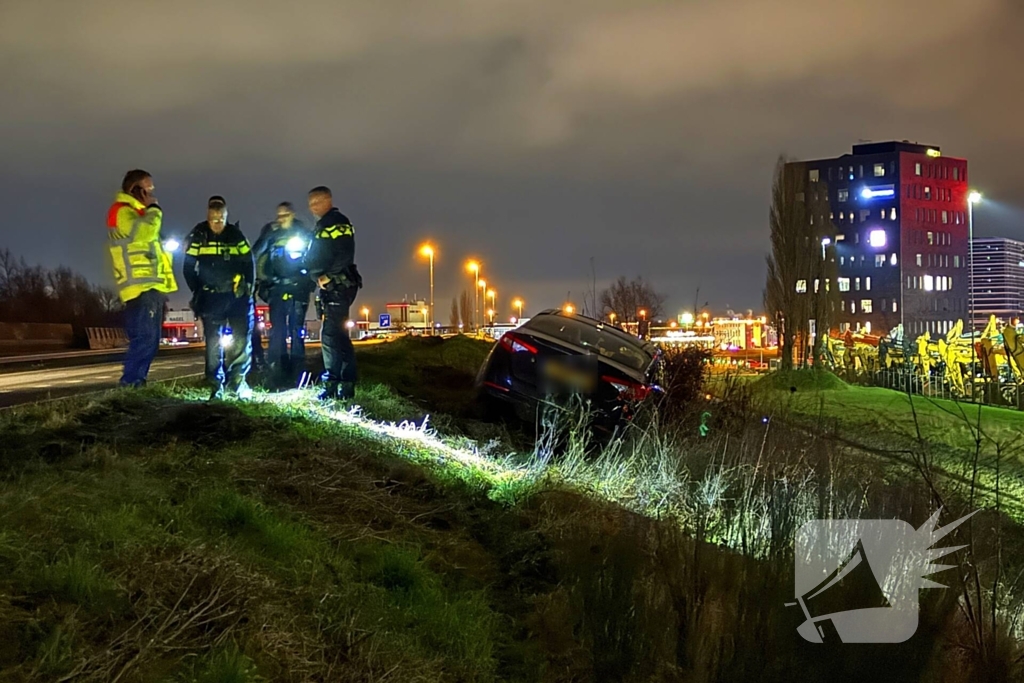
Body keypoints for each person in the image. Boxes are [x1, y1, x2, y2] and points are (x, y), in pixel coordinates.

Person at [106, 169, 178, 388]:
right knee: (145, 338)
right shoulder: (122, 212)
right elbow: (144, 234)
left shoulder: (138, 214)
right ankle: (130, 383)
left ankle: (138, 382)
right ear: (136, 189)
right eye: (148, 189)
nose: (152, 194)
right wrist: (155, 210)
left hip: (151, 286)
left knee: (151, 340)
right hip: (139, 286)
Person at [183, 196, 255, 400]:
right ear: (207, 217)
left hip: (236, 296)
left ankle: (237, 382)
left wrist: (248, 288)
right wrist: (197, 290)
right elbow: (188, 267)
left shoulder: (235, 235)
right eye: (214, 219)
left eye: (221, 219)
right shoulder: (198, 235)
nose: (217, 223)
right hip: (211, 297)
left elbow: (249, 262)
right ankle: (215, 383)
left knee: (241, 339)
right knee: (213, 342)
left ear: (226, 216)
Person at [304, 186, 362, 400]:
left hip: (338, 286)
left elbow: (343, 254)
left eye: (316, 202)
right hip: (333, 286)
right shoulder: (324, 225)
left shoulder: (337, 223)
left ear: (327, 200)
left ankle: (332, 384)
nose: (312, 207)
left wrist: (329, 276)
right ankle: (345, 385)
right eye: (310, 203)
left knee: (329, 336)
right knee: (338, 335)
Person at [253, 202, 313, 386]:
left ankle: (297, 371)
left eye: (285, 215)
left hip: (298, 288)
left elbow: (315, 258)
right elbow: (255, 253)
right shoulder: (271, 233)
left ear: (293, 214)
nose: (282, 219)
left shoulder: (303, 233)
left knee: (296, 329)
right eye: (279, 215)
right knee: (277, 330)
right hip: (277, 288)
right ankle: (276, 370)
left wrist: (308, 282)